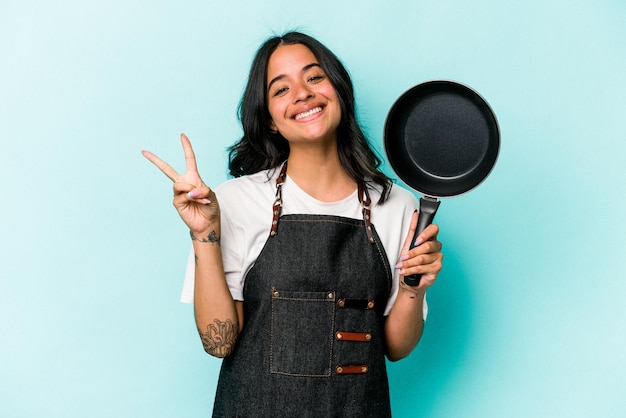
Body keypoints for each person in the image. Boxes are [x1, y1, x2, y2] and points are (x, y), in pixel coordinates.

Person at [142, 31, 443, 417]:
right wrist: (204, 234)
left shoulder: (397, 204)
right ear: (269, 119)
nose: (302, 93)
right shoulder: (235, 201)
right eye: (281, 89)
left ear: (339, 91)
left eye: (315, 77)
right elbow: (219, 343)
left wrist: (412, 289)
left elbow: (396, 348)